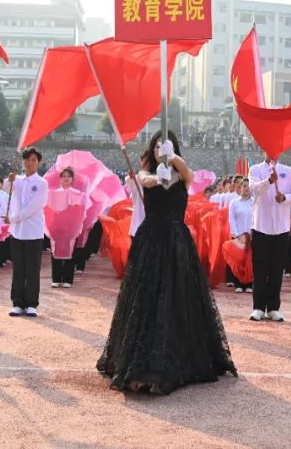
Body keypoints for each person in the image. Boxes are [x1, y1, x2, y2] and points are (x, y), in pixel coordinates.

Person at [97, 131, 237, 394]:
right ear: (152, 150)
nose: (160, 148)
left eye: (166, 144)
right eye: (157, 145)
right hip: (151, 241)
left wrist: (172, 159)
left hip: (177, 242)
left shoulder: (182, 175)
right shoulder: (145, 174)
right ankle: (142, 365)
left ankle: (180, 358)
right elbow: (144, 180)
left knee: (178, 297)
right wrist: (157, 176)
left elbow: (188, 174)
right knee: (147, 298)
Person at [247, 155, 291, 322]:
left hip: (281, 228)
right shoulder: (255, 170)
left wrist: (285, 198)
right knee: (260, 269)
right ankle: (258, 307)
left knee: (277, 269)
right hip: (261, 226)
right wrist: (269, 181)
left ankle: (273, 308)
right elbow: (253, 189)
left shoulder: (288, 171)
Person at [4, 147, 48, 318]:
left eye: (33, 160)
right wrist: (9, 179)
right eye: (27, 160)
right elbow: (6, 188)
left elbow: (32, 208)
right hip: (17, 232)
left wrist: (13, 218)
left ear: (38, 163)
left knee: (32, 270)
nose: (30, 163)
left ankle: (31, 304)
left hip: (33, 232)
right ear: (23, 161)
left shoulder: (42, 183)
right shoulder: (18, 180)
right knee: (18, 269)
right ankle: (17, 303)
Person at [45, 167, 86, 288]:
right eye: (63, 176)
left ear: (72, 179)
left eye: (68, 176)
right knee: (55, 251)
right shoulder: (53, 193)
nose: (66, 178)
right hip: (56, 226)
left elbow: (81, 211)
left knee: (71, 252)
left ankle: (68, 279)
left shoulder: (78, 194)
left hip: (71, 228)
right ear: (60, 179)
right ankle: (56, 278)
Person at [227, 178, 254, 293]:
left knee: (250, 260)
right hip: (238, 235)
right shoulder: (234, 202)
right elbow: (231, 219)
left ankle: (249, 284)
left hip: (251, 235)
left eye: (248, 186)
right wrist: (237, 234)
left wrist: (252, 233)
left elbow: (257, 218)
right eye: (244, 186)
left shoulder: (254, 202)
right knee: (238, 260)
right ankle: (238, 283)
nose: (246, 188)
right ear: (240, 188)